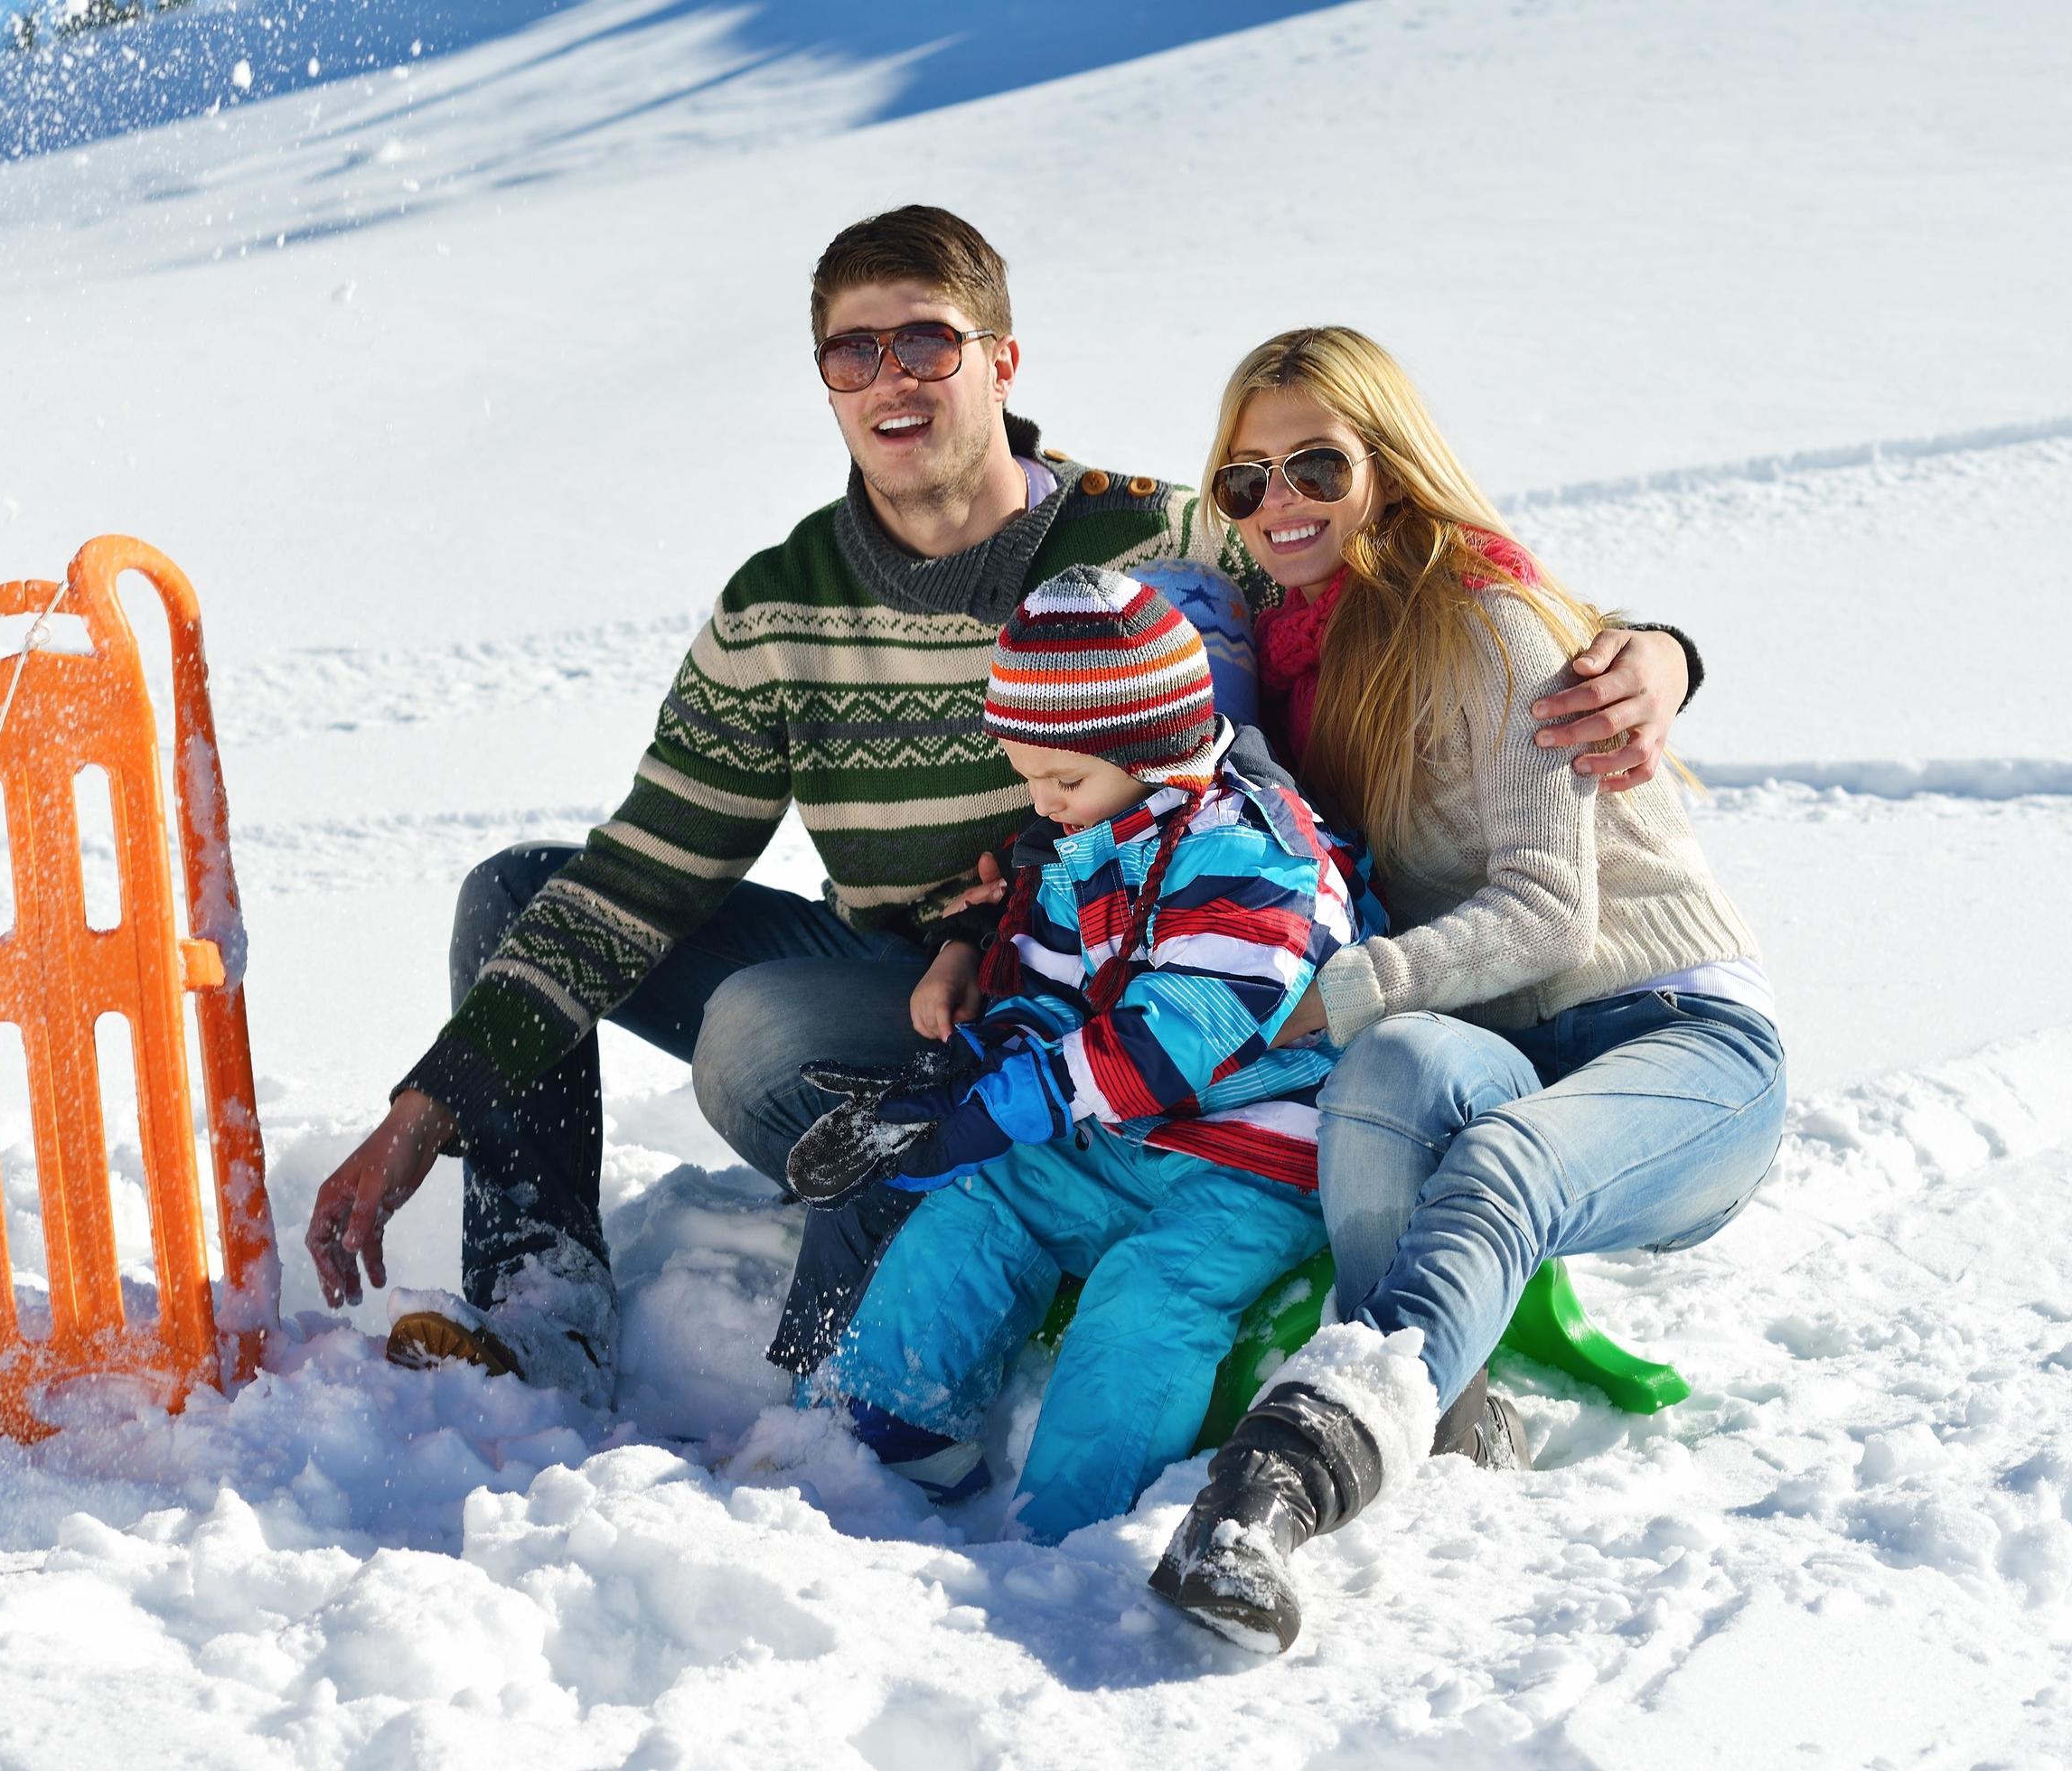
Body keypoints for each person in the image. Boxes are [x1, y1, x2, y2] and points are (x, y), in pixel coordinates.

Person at [301, 206, 1702, 1408]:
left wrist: (1644, 648)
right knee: (520, 895)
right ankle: (542, 1318)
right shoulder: (782, 604)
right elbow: (642, 875)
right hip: (906, 974)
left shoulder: (1155, 542)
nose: (890, 378)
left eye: (927, 342)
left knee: (754, 1037)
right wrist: (434, 1103)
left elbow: (1378, 577)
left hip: (1106, 983)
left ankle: (959, 1210)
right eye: (854, 353)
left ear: (1001, 361)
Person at [1151, 327, 1786, 1654]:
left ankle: (1289, 1477)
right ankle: (1448, 1402)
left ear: (1389, 465)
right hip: (1497, 1038)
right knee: (1391, 1076)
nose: (1280, 505)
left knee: (1497, 1159)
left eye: (1317, 464)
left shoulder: (1484, 620)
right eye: (1244, 481)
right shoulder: (1283, 651)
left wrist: (1342, 989)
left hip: (1675, 1035)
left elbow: (1554, 914)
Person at [784, 566, 1381, 1541]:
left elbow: (1168, 1042)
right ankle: (874, 1435)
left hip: (1248, 1154)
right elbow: (1052, 995)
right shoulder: (1097, 833)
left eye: (1062, 780)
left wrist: (1004, 1108)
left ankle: (1072, 1525)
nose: (1045, 804)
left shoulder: (1254, 853)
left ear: (1153, 747)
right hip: (1118, 1133)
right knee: (979, 1202)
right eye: (1029, 779)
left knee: (1148, 1293)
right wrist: (960, 1080)